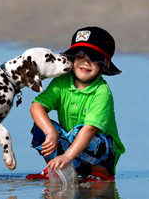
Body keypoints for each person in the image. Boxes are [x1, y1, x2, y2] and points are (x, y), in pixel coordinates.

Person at [26, 26, 125, 181]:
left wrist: (67, 156)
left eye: (93, 58)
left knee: (81, 130)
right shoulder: (62, 81)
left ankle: (99, 172)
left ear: (104, 64)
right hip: (72, 150)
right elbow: (37, 106)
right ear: (72, 58)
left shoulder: (101, 92)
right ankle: (55, 169)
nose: (85, 62)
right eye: (80, 56)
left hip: (100, 152)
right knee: (41, 127)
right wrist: (51, 132)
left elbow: (90, 129)